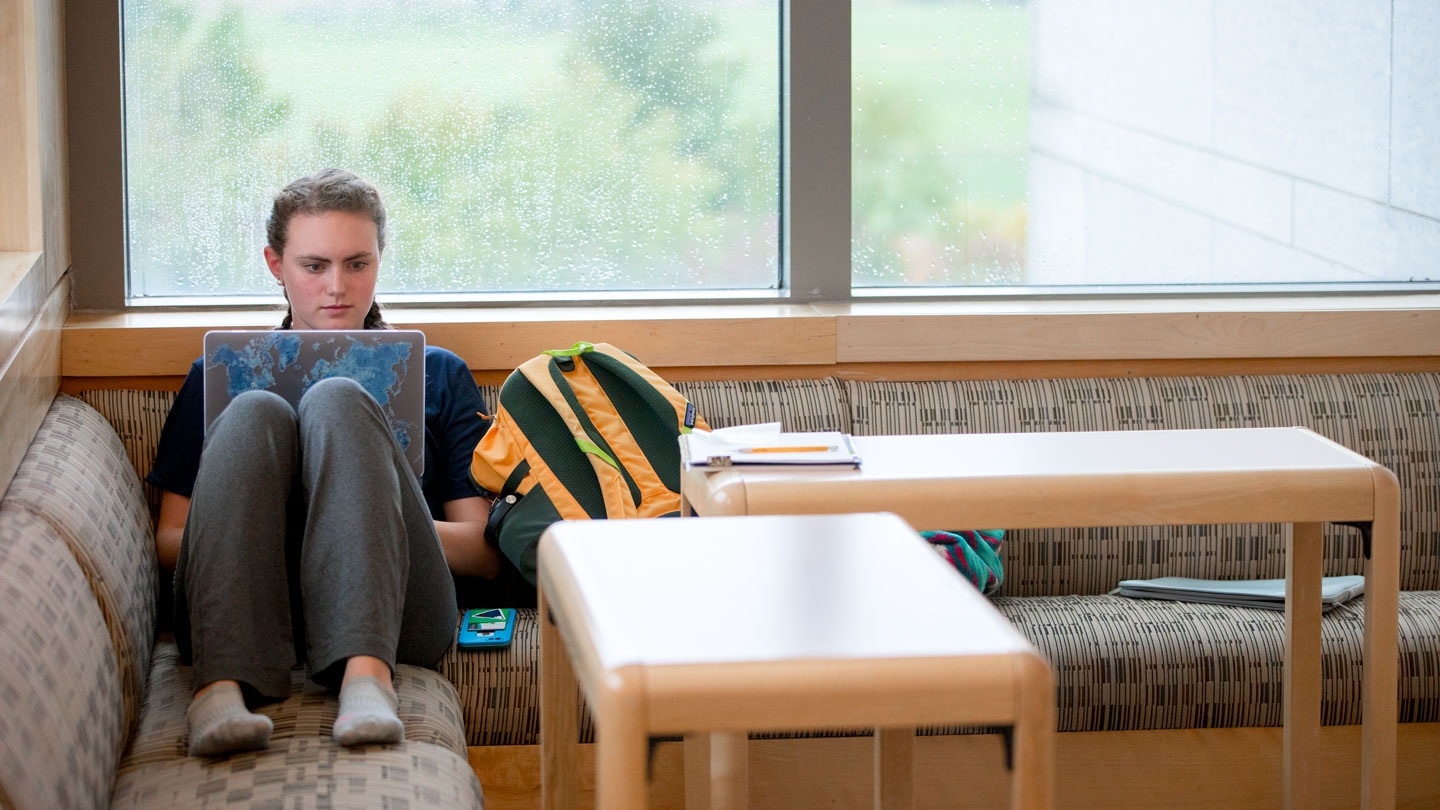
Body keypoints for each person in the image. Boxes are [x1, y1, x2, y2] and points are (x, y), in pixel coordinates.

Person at [147, 168, 502, 756]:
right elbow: (168, 539)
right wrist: (288, 538)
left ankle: (367, 680)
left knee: (338, 397)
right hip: (251, 605)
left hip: (399, 615)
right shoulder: (219, 373)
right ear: (275, 264)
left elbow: (482, 550)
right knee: (256, 407)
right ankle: (218, 691)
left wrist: (352, 529)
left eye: (357, 263)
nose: (337, 286)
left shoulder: (438, 373)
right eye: (314, 266)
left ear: (379, 260)